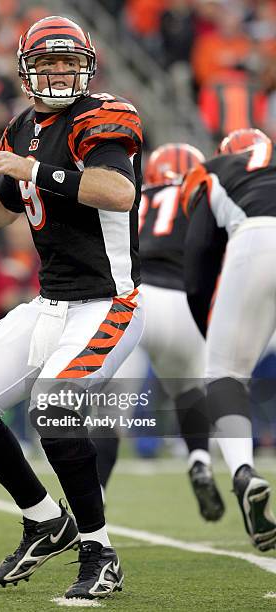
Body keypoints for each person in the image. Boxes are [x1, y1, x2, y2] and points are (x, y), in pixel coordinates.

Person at [0, 15, 143, 600]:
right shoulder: (21, 127)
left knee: (54, 408)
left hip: (108, 301)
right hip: (49, 304)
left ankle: (100, 550)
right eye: (46, 62)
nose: (57, 71)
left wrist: (35, 170)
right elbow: (4, 207)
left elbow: (116, 192)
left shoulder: (105, 116)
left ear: (86, 66)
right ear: (26, 70)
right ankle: (46, 519)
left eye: (67, 61)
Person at [93, 143, 224, 522]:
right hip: (183, 303)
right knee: (189, 390)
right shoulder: (204, 200)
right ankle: (199, 459)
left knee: (108, 415)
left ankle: (96, 496)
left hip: (136, 300)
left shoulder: (132, 195)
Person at [181, 127, 276, 552]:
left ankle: (243, 472)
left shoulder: (212, 169)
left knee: (223, 374)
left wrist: (207, 326)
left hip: (257, 240)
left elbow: (200, 256)